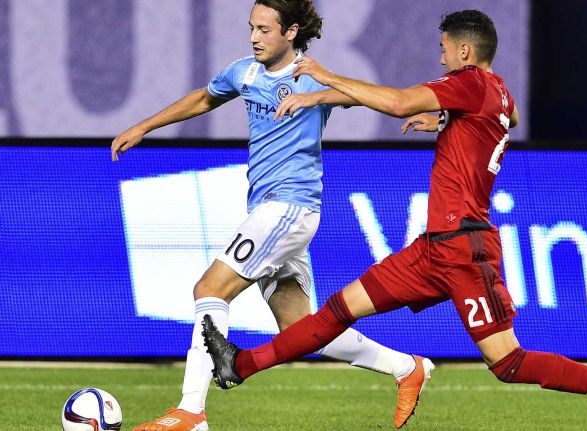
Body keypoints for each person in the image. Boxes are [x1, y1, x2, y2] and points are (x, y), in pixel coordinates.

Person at [201, 9, 587, 431]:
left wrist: (324, 79)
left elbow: (399, 102)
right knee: (339, 309)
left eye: (444, 49)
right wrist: (447, 120)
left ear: (465, 51)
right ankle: (239, 366)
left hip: (466, 248)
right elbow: (510, 117)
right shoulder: (495, 91)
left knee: (508, 363)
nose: (440, 58)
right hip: (433, 248)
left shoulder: (471, 81)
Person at [111, 1, 432, 430]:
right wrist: (144, 126)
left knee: (209, 289)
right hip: (268, 208)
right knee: (300, 330)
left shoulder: (312, 79)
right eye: (251, 28)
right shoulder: (244, 72)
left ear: (291, 31)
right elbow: (204, 98)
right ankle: (406, 367)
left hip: (290, 206)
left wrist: (436, 114)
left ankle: (190, 411)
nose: (254, 37)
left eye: (264, 29)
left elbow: (379, 98)